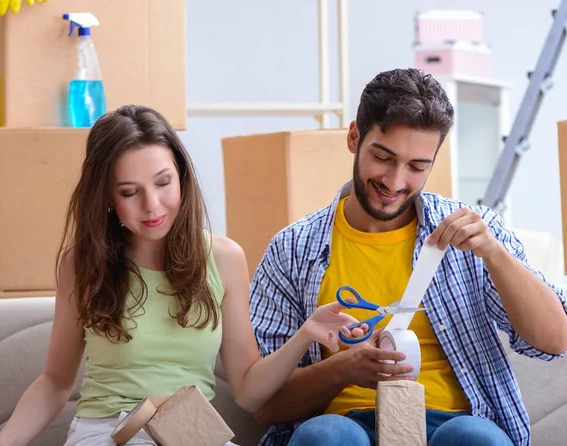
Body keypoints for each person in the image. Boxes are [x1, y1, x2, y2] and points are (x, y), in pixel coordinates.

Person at [0, 105, 367, 446]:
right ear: (107, 198)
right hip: (108, 431)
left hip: (191, 433)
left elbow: (247, 389)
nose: (152, 205)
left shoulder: (223, 258)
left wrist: (306, 334)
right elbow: (55, 382)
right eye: (130, 192)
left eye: (163, 183)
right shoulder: (83, 264)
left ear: (182, 177)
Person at [249, 68, 567, 446]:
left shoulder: (474, 233)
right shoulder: (293, 249)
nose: (395, 182)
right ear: (354, 137)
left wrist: (495, 254)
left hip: (455, 424)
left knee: (474, 438)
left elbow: (555, 343)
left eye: (417, 167)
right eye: (383, 158)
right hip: (346, 425)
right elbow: (266, 407)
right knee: (323, 436)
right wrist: (341, 370)